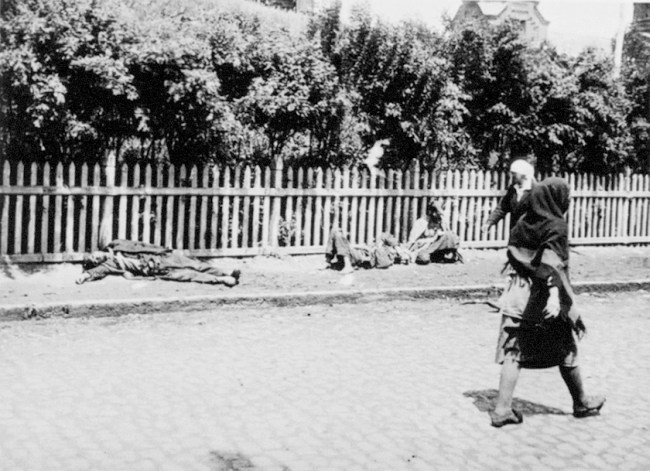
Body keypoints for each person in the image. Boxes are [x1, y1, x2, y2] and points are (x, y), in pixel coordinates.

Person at [490, 177, 605, 427]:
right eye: (567, 197)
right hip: (543, 298)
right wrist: (554, 296)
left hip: (518, 294)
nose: (569, 201)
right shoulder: (556, 225)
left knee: (514, 350)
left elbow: (516, 254)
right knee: (566, 347)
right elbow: (551, 261)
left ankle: (501, 410)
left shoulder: (524, 222)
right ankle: (582, 401)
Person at [76, 239, 241, 287]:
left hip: (163, 256)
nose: (97, 258)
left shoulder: (116, 244)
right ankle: (223, 280)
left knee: (196, 264)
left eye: (95, 255)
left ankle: (225, 273)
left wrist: (163, 249)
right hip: (157, 269)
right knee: (189, 275)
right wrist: (84, 275)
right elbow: (96, 272)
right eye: (94, 261)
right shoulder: (111, 264)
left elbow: (141, 245)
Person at [482, 158, 536, 235]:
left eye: (514, 173)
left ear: (524, 174)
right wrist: (489, 222)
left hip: (531, 234)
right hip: (515, 233)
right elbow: (502, 207)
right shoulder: (513, 189)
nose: (512, 176)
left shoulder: (536, 190)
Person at [324, 228, 409, 273]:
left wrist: (376, 248)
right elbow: (384, 237)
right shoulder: (379, 243)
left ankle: (348, 266)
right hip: (355, 253)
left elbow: (380, 262)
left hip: (359, 258)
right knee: (335, 231)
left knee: (338, 234)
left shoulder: (387, 251)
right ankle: (327, 261)